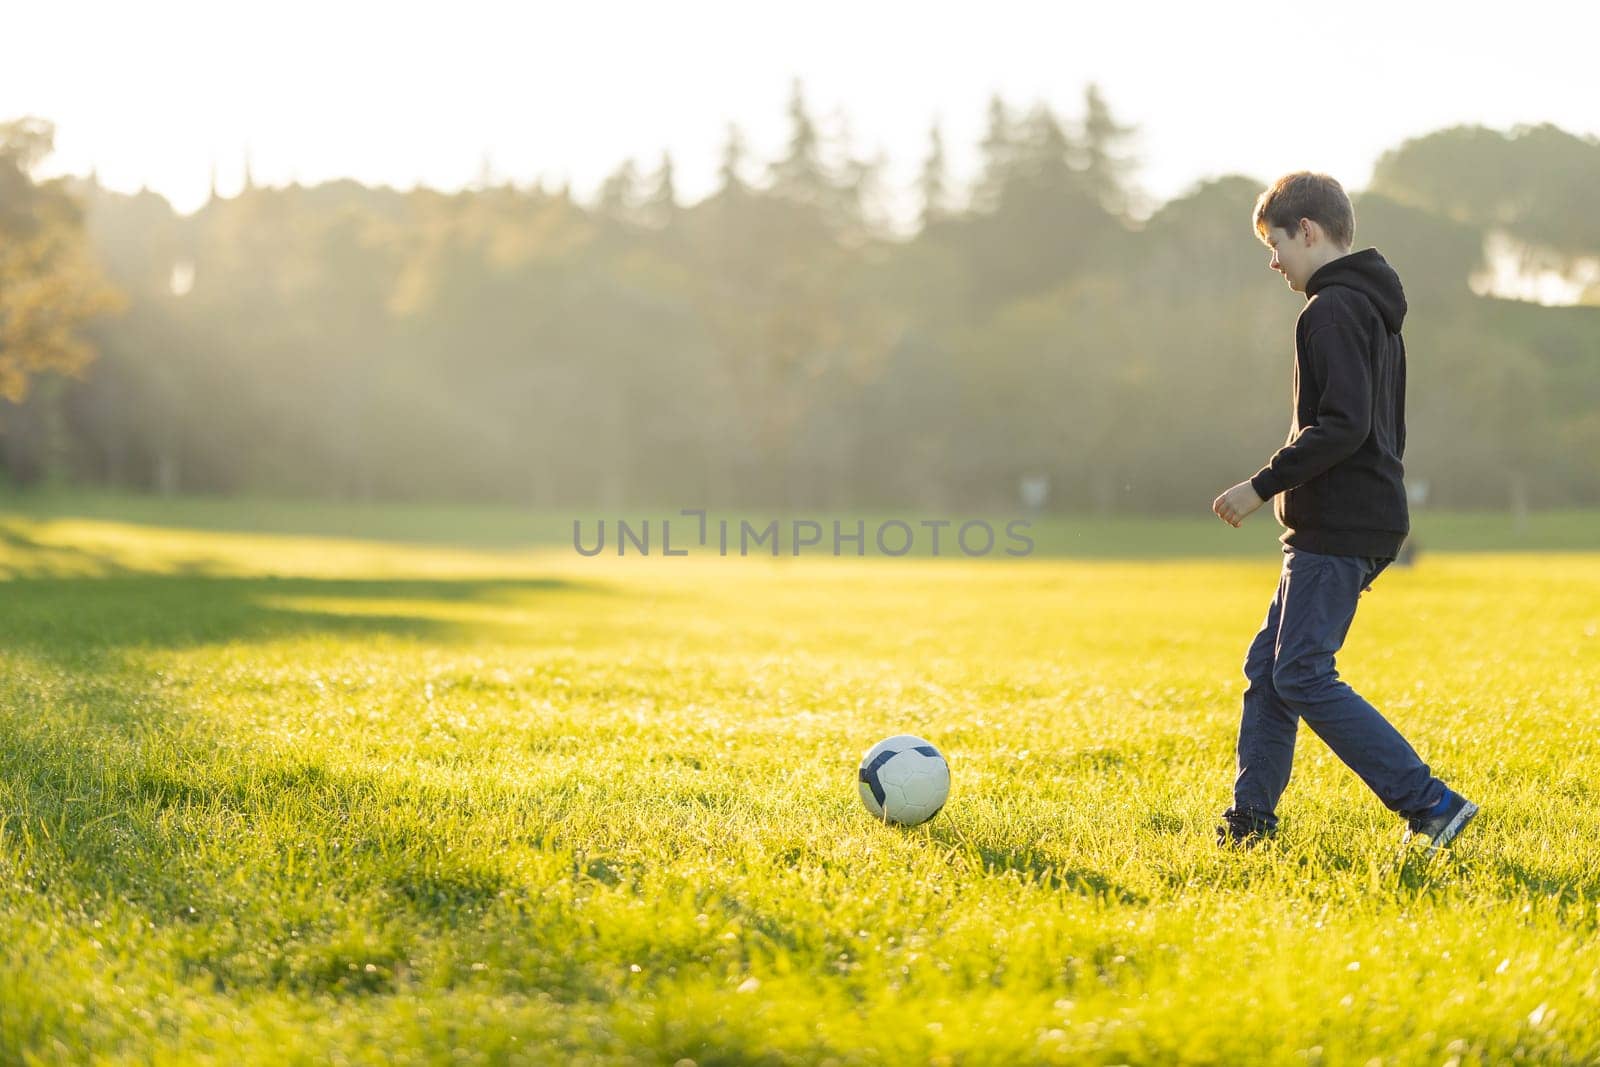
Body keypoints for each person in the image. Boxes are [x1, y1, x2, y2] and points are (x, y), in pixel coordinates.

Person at [1210, 172, 1476, 854]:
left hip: (1339, 521)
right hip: (1357, 516)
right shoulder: (1371, 309)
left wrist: (1262, 484)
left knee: (1299, 671)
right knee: (1271, 669)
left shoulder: (1330, 310)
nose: (1273, 261)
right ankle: (1251, 820)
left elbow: (1345, 425)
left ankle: (1431, 804)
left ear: (1310, 231)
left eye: (1276, 244)